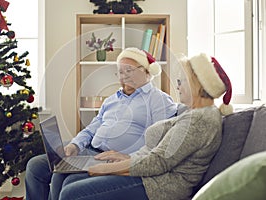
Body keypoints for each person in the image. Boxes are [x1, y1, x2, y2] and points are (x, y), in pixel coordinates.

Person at [57, 53, 234, 200]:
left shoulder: (199, 120)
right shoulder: (191, 112)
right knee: (67, 180)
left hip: (159, 185)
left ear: (199, 85)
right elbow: (156, 154)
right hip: (149, 173)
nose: (178, 86)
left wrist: (104, 169)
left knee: (70, 192)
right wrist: (122, 159)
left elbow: (158, 162)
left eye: (182, 81)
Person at [25, 47, 177, 200]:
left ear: (146, 71)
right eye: (120, 72)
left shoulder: (159, 100)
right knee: (35, 166)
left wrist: (128, 158)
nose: (124, 76)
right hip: (90, 150)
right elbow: (91, 129)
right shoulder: (112, 99)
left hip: (114, 159)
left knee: (62, 178)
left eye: (129, 70)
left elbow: (159, 143)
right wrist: (75, 145)